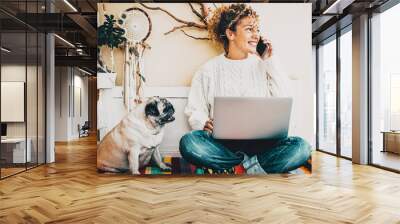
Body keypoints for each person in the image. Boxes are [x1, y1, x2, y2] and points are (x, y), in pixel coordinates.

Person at [179, 3, 311, 174]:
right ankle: (252, 167)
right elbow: (194, 109)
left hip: (262, 144)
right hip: (223, 145)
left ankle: (238, 169)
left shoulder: (265, 65)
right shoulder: (208, 70)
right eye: (250, 29)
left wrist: (270, 60)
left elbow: (285, 99)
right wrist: (204, 123)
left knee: (301, 147)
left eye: (257, 30)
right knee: (189, 143)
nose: (256, 35)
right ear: (230, 33)